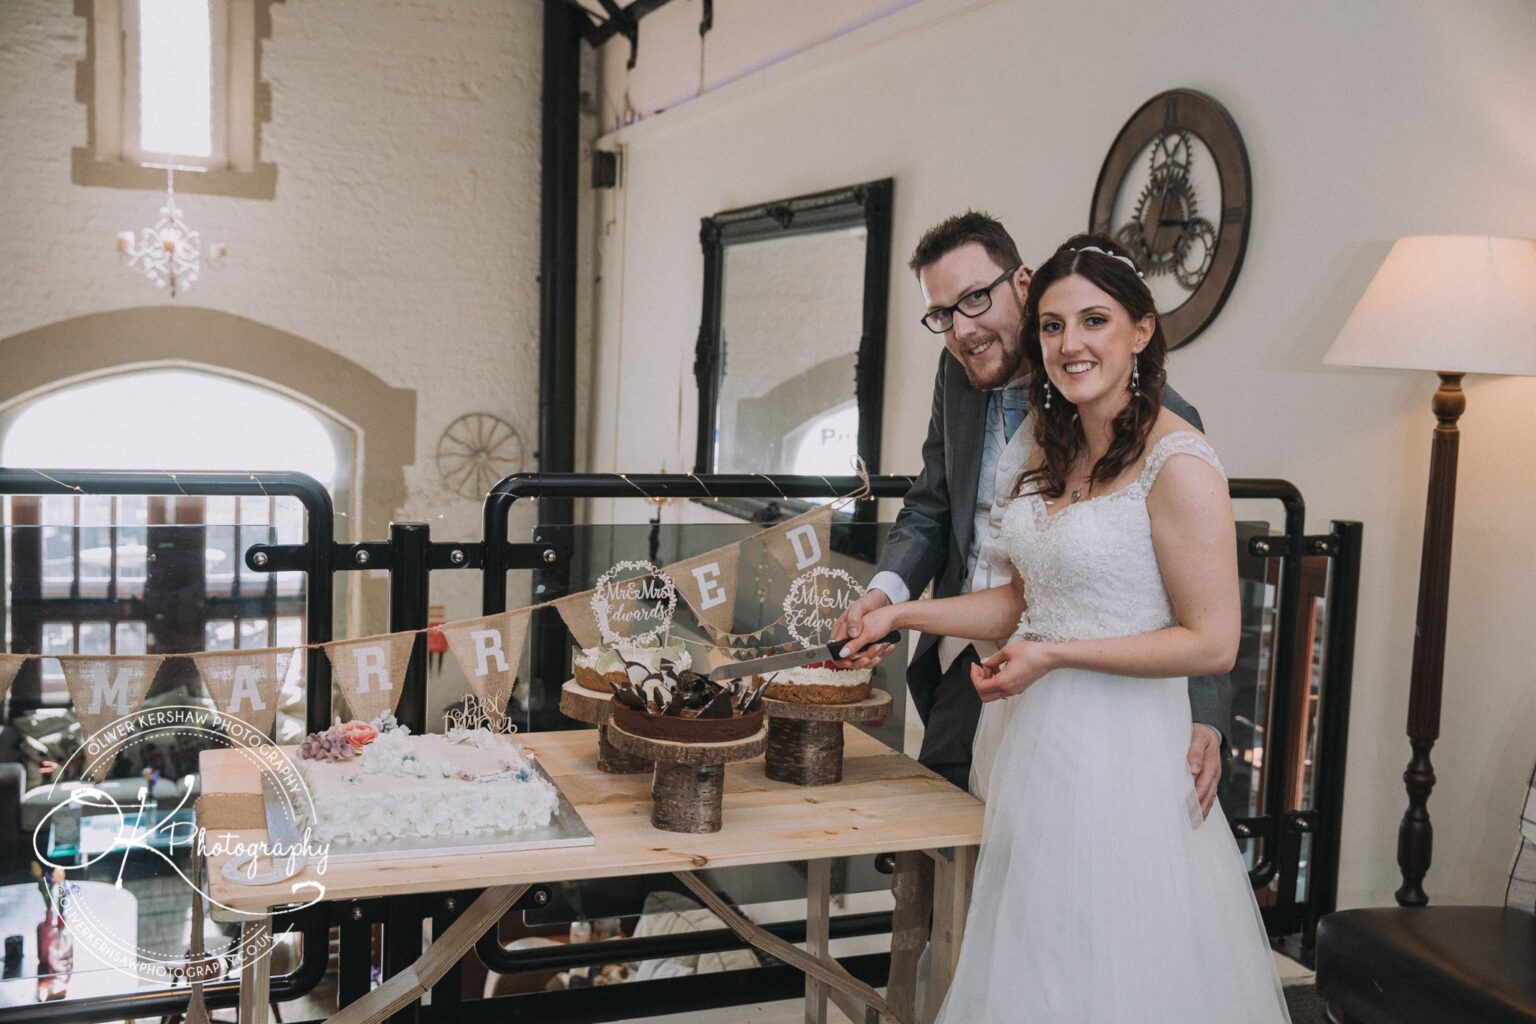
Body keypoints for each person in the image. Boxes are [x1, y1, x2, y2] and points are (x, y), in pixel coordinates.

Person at [842, 235, 1290, 1021]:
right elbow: (1023, 598)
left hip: (1124, 757)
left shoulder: (1177, 455)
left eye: (1093, 321)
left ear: (1141, 330)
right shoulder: (1055, 445)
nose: (1070, 343)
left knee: (1115, 966)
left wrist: (1056, 656)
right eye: (1054, 327)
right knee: (1030, 956)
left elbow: (1212, 637)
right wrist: (898, 609)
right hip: (1031, 742)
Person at [833, 212, 1227, 810]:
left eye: (974, 299)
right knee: (943, 860)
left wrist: (1206, 715)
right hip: (965, 667)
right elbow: (933, 504)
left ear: (1022, 281)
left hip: (1102, 704)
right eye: (942, 315)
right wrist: (891, 604)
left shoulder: (1162, 429)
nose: (962, 330)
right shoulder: (962, 374)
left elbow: (1199, 604)